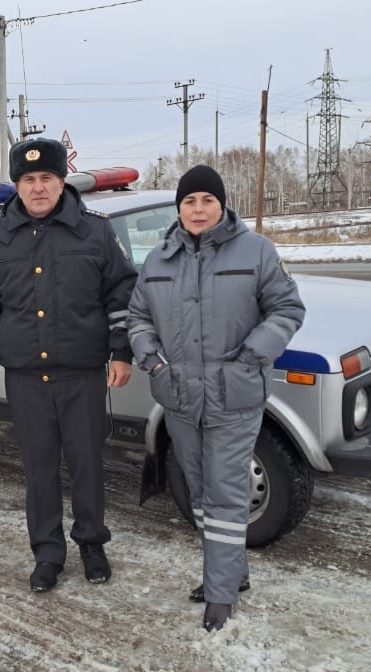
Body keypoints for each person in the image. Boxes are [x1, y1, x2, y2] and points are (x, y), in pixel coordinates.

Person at [127, 165, 305, 631]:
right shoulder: (159, 259)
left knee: (226, 494)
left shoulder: (257, 251)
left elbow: (288, 308)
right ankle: (233, 571)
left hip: (235, 396)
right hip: (179, 397)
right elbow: (138, 317)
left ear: (223, 205)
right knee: (200, 491)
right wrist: (153, 360)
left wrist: (253, 355)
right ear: (179, 209)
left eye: (207, 200)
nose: (198, 209)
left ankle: (220, 592)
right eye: (190, 202)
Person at [0, 137, 137, 593]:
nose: (38, 188)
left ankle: (92, 544)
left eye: (47, 178)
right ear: (17, 185)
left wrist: (122, 352)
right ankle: (47, 554)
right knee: (39, 470)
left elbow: (120, 296)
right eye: (28, 179)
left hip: (81, 374)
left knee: (87, 466)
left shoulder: (95, 232)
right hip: (26, 379)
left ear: (62, 182)